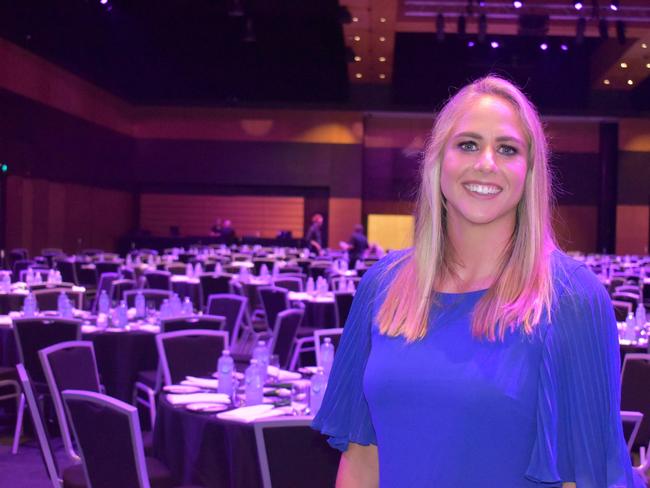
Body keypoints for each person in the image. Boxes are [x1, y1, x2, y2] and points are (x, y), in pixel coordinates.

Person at [313, 75, 642, 487]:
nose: (486, 162)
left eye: (507, 149)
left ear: (529, 172)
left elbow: (589, 477)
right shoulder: (382, 285)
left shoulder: (572, 298)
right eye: (468, 144)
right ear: (438, 161)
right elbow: (361, 460)